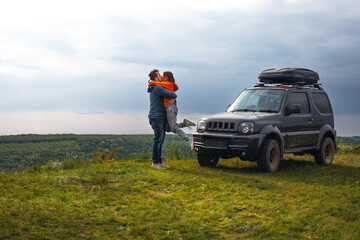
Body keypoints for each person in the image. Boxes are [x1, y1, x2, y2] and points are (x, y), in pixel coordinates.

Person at [148, 71, 195, 146]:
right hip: (168, 108)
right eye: (161, 75)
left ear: (167, 77)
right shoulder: (165, 85)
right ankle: (184, 123)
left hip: (171, 108)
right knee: (168, 128)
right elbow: (174, 88)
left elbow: (157, 84)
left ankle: (189, 139)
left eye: (163, 76)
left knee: (173, 128)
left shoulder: (167, 84)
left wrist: (151, 82)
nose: (162, 77)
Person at [148, 69, 177, 169]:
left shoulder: (155, 87)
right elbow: (173, 94)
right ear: (156, 78)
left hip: (158, 116)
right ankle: (155, 163)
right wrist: (173, 98)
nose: (161, 77)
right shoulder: (158, 88)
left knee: (160, 139)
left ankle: (159, 162)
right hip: (157, 116)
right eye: (159, 75)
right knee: (158, 139)